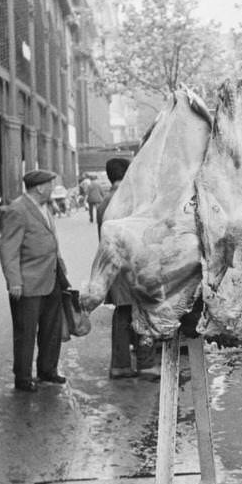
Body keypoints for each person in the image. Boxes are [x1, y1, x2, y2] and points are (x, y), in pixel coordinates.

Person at [0, 170, 70, 392]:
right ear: (39, 188)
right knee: (26, 331)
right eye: (51, 184)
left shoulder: (45, 207)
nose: (53, 189)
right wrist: (14, 282)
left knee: (51, 328)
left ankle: (48, 370)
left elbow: (51, 239)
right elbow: (8, 249)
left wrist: (60, 264)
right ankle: (22, 377)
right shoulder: (18, 210)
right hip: (28, 283)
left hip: (51, 277)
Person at [97, 157, 153, 378]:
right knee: (140, 312)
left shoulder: (105, 201)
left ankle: (121, 364)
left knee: (123, 313)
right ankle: (145, 364)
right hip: (130, 267)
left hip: (114, 265)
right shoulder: (123, 202)